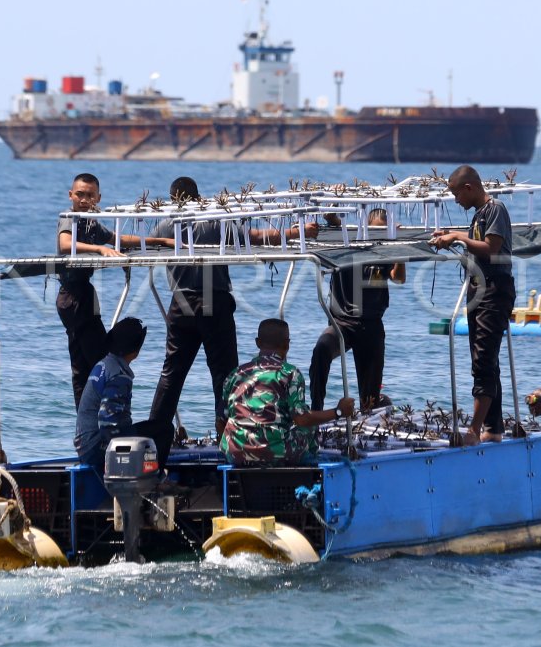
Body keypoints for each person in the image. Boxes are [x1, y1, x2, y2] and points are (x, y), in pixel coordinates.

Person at [145, 177, 317, 465]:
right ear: (200, 197)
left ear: (173, 198)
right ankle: (227, 432)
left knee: (172, 374)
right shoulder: (214, 219)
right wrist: (294, 232)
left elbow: (145, 247)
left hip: (181, 303)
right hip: (214, 300)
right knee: (224, 375)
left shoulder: (165, 224)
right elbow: (252, 237)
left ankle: (154, 436)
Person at [56, 173, 170, 407]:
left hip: (85, 294)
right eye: (80, 195)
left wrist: (158, 241)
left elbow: (118, 238)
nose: (85, 200)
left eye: (90, 195)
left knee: (86, 362)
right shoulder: (71, 218)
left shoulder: (92, 223)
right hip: (72, 296)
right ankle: (93, 415)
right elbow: (65, 244)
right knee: (94, 360)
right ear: (71, 196)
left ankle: (90, 414)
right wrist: (99, 250)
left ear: (99, 197)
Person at [430, 165, 515, 445]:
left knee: (483, 361)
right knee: (484, 359)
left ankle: (475, 432)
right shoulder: (478, 215)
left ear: (469, 187)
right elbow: (474, 243)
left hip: (495, 289)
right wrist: (452, 235)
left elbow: (490, 248)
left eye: (456, 194)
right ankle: (494, 427)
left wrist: (457, 237)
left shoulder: (496, 209)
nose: (456, 200)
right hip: (478, 290)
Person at [220, 318, 356, 466]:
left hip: (235, 453)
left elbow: (221, 421)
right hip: (277, 455)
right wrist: (338, 412)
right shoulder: (290, 374)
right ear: (286, 344)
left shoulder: (235, 374)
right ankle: (312, 468)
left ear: (258, 343)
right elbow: (302, 419)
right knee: (309, 426)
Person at [309, 208, 405, 413]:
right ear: (365, 227)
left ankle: (367, 417)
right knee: (320, 351)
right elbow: (336, 225)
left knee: (368, 397)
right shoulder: (349, 240)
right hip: (341, 323)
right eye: (374, 229)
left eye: (383, 230)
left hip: (371, 324)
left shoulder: (387, 248)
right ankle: (316, 409)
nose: (378, 234)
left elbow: (399, 278)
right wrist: (331, 216)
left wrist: (400, 246)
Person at [74, 317, 158, 472]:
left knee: (144, 432)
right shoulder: (119, 376)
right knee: (162, 431)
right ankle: (155, 480)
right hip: (96, 448)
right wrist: (131, 447)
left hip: (85, 444)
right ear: (135, 350)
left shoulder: (104, 364)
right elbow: (108, 425)